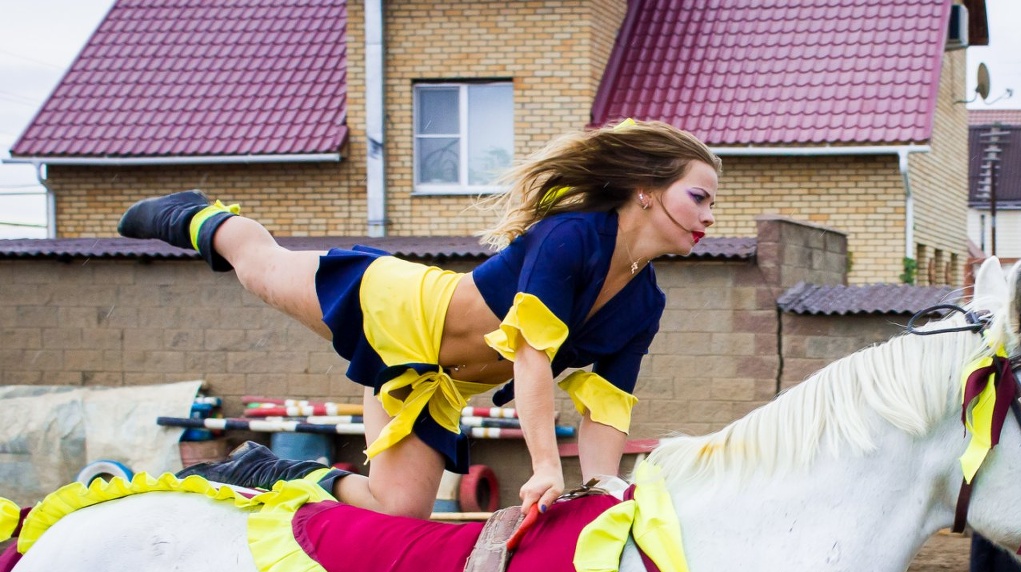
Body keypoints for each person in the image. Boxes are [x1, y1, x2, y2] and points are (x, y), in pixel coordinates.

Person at [118, 119, 719, 518]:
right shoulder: (571, 236)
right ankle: (199, 218)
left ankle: (268, 469)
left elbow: (606, 408)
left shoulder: (646, 304)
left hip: (437, 384)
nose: (709, 216)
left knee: (397, 510)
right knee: (259, 266)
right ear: (646, 189)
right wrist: (542, 469)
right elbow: (530, 354)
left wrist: (600, 495)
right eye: (700, 196)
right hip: (395, 308)